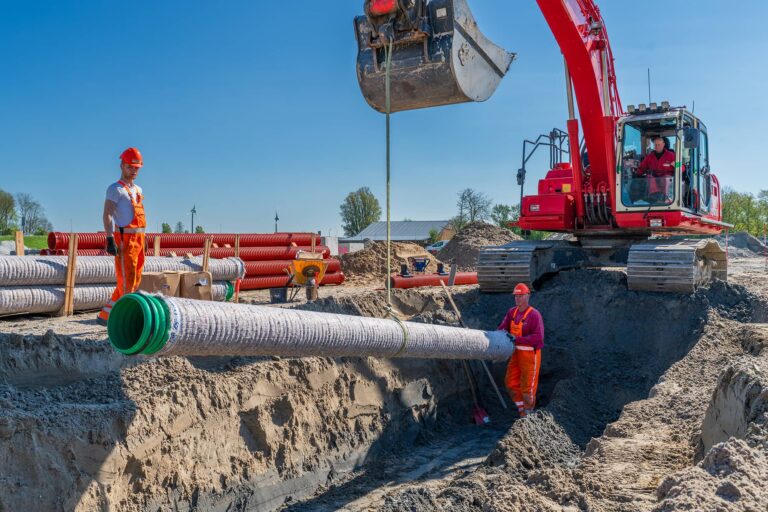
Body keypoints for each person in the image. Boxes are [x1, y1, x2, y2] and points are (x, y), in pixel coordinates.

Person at [96, 148, 146, 325]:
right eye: (130, 167)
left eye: (136, 168)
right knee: (126, 281)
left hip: (138, 240)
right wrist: (109, 238)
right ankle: (123, 319)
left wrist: (143, 240)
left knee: (135, 279)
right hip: (124, 240)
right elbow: (107, 215)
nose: (133, 171)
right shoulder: (115, 189)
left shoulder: (138, 189)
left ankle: (107, 316)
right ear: (122, 165)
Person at [497, 283, 544, 418]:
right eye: (516, 296)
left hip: (530, 356)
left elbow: (538, 339)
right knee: (510, 382)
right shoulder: (512, 312)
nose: (517, 299)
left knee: (527, 388)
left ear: (527, 296)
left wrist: (517, 339)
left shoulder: (534, 315)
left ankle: (528, 415)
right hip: (516, 354)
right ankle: (521, 410)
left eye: (520, 296)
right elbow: (503, 328)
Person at [635, 135, 675, 201]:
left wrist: (676, 165)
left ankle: (666, 198)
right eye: (655, 144)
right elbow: (642, 168)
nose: (657, 146)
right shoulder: (650, 157)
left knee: (666, 178)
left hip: (666, 180)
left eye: (659, 144)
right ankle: (654, 197)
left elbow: (682, 167)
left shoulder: (671, 155)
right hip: (654, 178)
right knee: (649, 177)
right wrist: (636, 173)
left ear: (663, 144)